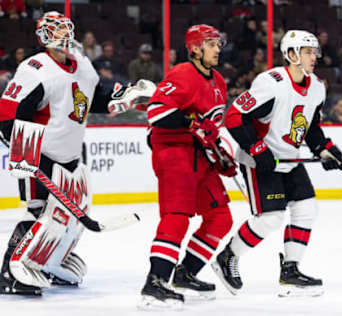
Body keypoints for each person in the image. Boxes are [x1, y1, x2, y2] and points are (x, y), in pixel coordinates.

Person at [0, 11, 140, 296]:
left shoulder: (83, 65)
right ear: (44, 37)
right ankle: (8, 272)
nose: (63, 36)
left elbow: (94, 101)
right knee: (42, 212)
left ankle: (48, 263)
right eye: (55, 31)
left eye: (65, 30)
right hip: (40, 152)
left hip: (71, 155)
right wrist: (23, 153)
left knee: (72, 218)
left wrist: (125, 96)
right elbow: (8, 114)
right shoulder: (34, 68)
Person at [212, 30, 342, 297]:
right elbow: (235, 116)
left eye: (314, 52)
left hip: (289, 159)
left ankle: (291, 270)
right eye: (308, 52)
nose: (314, 57)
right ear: (292, 54)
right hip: (259, 161)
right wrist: (257, 148)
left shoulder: (317, 87)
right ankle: (227, 257)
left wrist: (324, 148)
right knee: (271, 219)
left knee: (307, 208)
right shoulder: (271, 82)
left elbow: (310, 127)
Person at [139, 24, 237, 307]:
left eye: (219, 43)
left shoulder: (218, 80)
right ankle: (154, 283)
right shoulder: (182, 73)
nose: (218, 48)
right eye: (211, 44)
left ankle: (185, 273)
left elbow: (209, 128)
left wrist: (220, 154)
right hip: (174, 153)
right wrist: (191, 123)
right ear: (195, 48)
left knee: (220, 217)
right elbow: (156, 113)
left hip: (200, 158)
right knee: (177, 216)